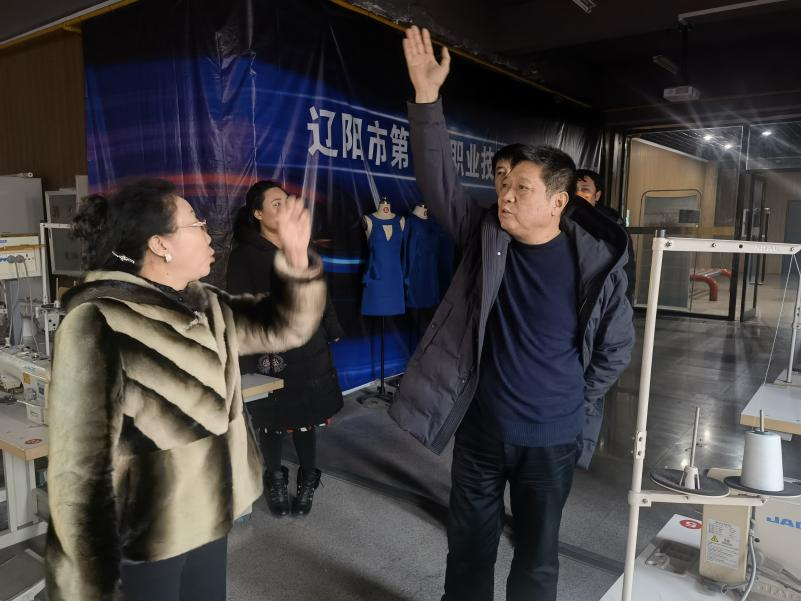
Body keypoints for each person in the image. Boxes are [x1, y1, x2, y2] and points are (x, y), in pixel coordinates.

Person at [389, 26, 635, 601]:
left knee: (537, 555)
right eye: (505, 185)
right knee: (468, 547)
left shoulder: (596, 264)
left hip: (551, 439)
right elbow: (439, 182)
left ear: (558, 201)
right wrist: (426, 99)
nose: (505, 196)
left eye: (522, 189)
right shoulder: (484, 237)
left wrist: (570, 398)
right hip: (481, 431)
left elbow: (616, 347)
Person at [45, 178, 326, 601]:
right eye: (196, 223)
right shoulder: (98, 321)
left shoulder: (206, 304)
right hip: (146, 533)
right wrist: (84, 581)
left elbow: (285, 327)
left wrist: (297, 257)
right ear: (161, 245)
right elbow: (77, 466)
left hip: (209, 510)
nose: (209, 233)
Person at [227, 180, 344, 517]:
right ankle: (275, 476)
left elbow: (320, 290)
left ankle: (308, 477)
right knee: (271, 420)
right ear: (258, 213)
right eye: (275, 204)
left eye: (286, 202)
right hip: (269, 353)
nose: (284, 208)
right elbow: (241, 308)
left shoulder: (302, 245)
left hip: (308, 349)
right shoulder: (245, 255)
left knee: (308, 417)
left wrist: (331, 325)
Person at [575, 168, 637, 304]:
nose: (578, 193)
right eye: (573, 189)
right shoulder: (557, 218)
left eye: (585, 189)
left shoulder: (611, 225)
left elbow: (626, 268)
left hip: (600, 296)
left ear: (597, 195)